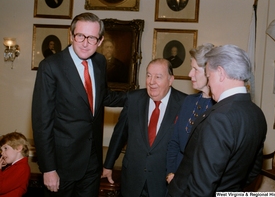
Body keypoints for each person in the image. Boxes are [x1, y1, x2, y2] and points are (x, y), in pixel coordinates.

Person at [31, 12, 126, 197]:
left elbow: (102, 97)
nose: (85, 43)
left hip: (92, 161)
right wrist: (49, 169)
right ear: (71, 35)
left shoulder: (99, 62)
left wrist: (142, 95)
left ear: (100, 41)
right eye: (80, 35)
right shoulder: (51, 66)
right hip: (61, 165)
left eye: (91, 38)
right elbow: (42, 123)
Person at [167, 44, 267, 196]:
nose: (209, 82)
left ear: (220, 73)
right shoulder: (257, 114)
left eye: (208, 76)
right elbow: (253, 171)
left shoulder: (219, 118)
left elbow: (201, 189)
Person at [101, 58, 187, 197]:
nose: (151, 82)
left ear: (171, 80)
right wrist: (108, 165)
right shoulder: (134, 99)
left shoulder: (184, 103)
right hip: (132, 179)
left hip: (164, 183)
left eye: (158, 77)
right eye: (148, 75)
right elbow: (119, 135)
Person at [166, 43, 215, 184]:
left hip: (201, 183)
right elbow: (174, 142)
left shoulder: (220, 108)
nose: (189, 74)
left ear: (208, 71)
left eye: (195, 69)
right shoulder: (189, 101)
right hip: (176, 178)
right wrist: (170, 172)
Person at [0, 132, 31, 197]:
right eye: (1, 150)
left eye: (5, 148)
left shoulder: (22, 168)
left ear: (18, 148)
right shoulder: (13, 166)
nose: (2, 153)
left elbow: (1, 188)